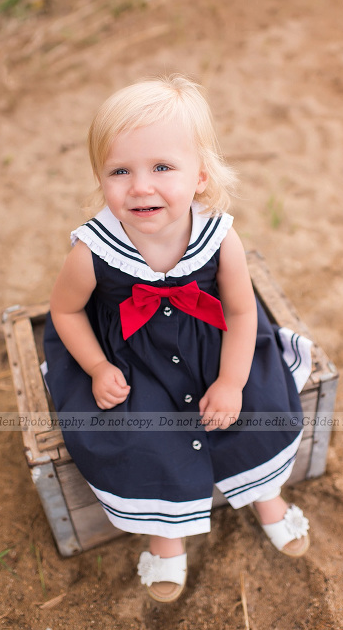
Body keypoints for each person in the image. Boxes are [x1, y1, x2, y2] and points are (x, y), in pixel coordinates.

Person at [43, 74, 313, 602]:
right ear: (101, 179)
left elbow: (240, 311)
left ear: (200, 177)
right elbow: (66, 310)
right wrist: (99, 368)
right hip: (132, 357)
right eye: (120, 171)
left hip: (215, 346)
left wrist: (233, 380)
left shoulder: (220, 238)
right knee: (143, 435)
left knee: (257, 408)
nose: (140, 186)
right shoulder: (93, 251)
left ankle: (266, 495)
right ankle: (166, 534)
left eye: (162, 167)